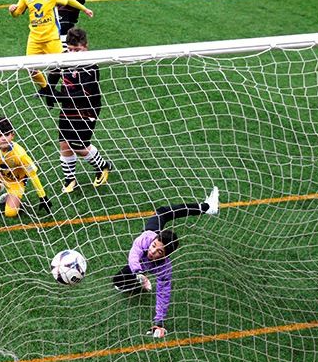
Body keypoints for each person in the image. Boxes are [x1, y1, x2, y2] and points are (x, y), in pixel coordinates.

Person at [112, 187, 220, 338]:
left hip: (145, 268)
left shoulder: (164, 268)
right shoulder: (147, 238)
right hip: (141, 264)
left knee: (126, 280)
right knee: (118, 282)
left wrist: (159, 321)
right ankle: (206, 207)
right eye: (154, 246)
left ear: (165, 256)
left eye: (159, 252)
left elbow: (163, 293)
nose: (153, 251)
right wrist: (138, 272)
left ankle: (141, 279)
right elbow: (134, 254)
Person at [36, 27, 112, 192]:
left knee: (78, 145)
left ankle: (103, 166)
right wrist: (49, 90)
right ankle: (70, 179)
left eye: (76, 50)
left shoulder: (91, 66)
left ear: (86, 46)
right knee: (64, 144)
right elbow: (55, 72)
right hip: (68, 105)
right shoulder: (65, 57)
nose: (72, 53)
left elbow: (83, 94)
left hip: (87, 108)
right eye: (70, 49)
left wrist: (57, 96)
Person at [9, 0, 93, 89]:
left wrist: (84, 9)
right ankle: (46, 89)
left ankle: (73, 87)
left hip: (51, 38)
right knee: (30, 68)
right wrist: (12, 10)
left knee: (63, 65)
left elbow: (68, 0)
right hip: (34, 39)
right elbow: (17, 13)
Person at [0, 117, 52, 218]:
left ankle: (9, 195)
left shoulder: (20, 155)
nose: (3, 138)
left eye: (6, 134)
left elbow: (32, 174)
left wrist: (42, 196)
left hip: (15, 181)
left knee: (10, 213)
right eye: (0, 135)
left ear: (12, 135)